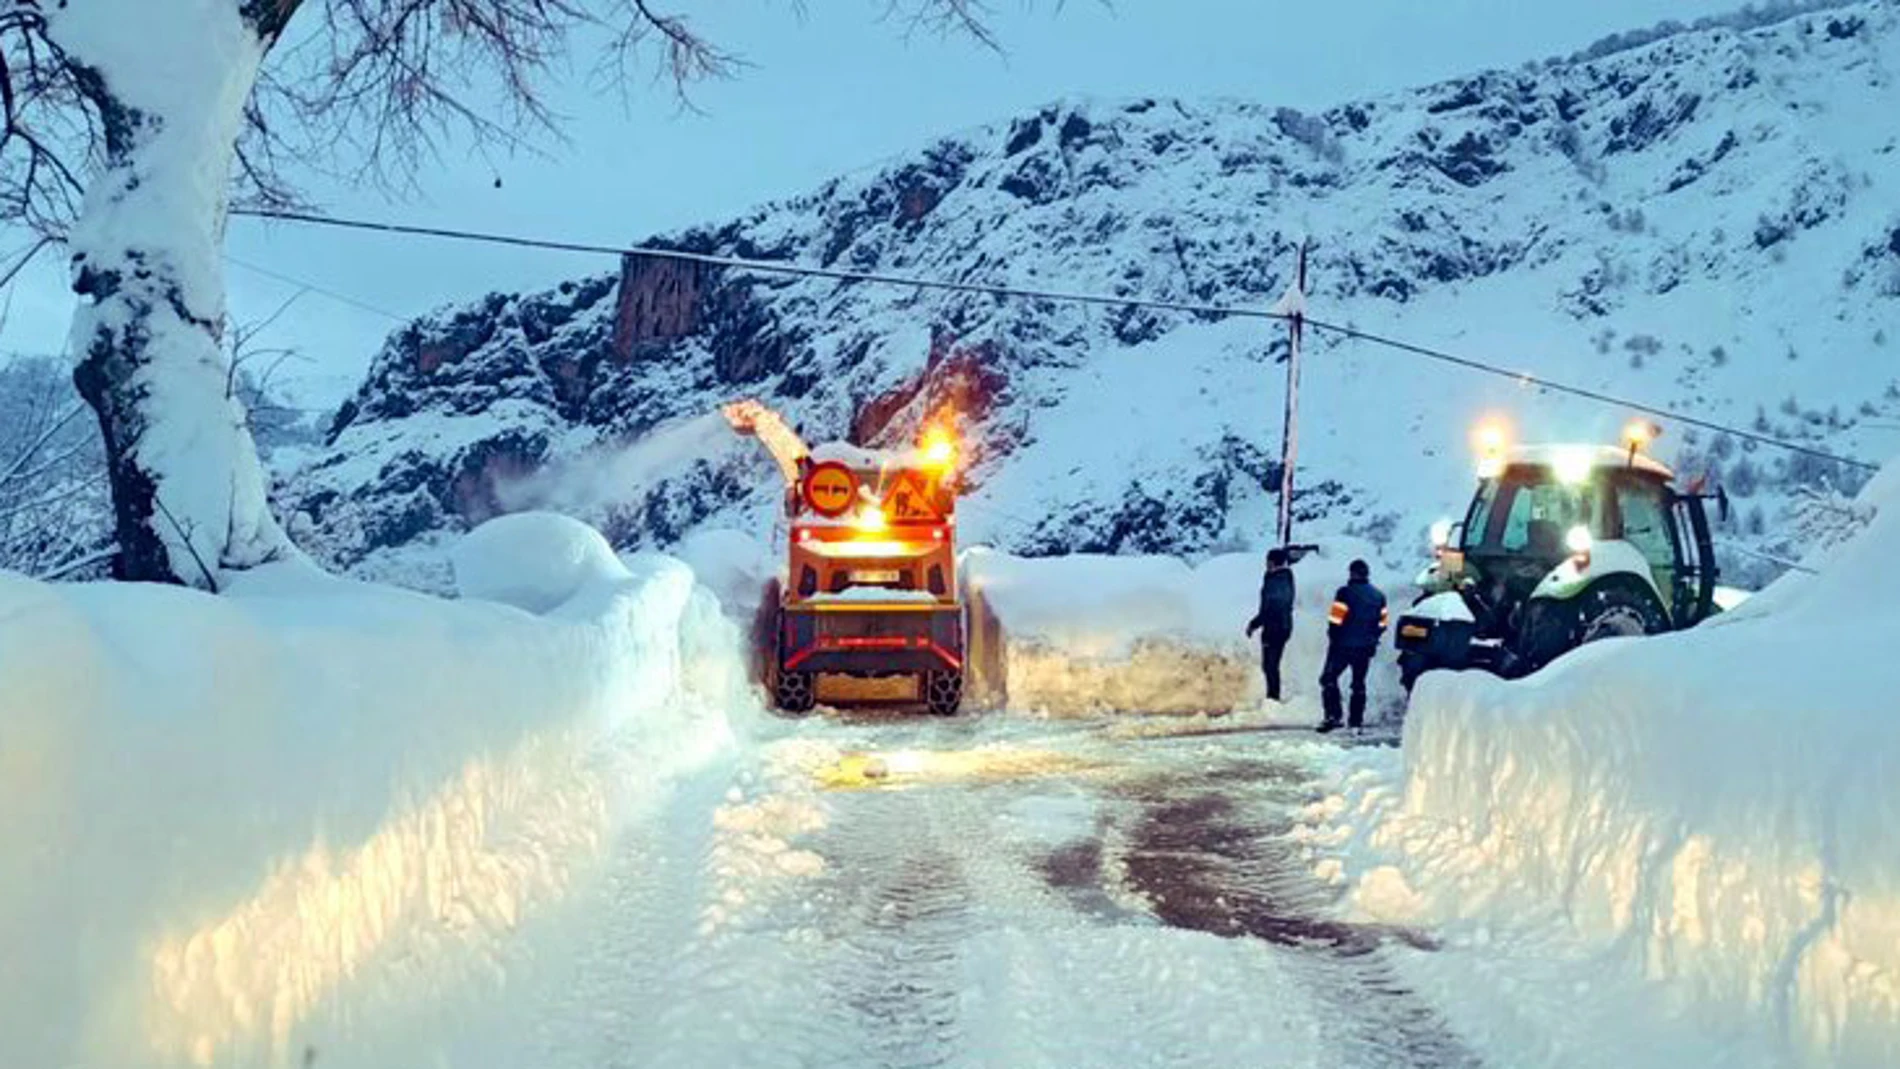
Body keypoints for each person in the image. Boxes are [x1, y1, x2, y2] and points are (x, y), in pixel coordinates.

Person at [1319, 559, 1388, 733]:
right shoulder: (1379, 596)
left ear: (1352, 573)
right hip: (1365, 647)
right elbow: (1383, 624)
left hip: (1342, 645)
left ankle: (1333, 716)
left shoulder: (1344, 593)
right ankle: (1356, 722)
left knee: (1328, 678)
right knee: (1358, 684)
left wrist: (1334, 638)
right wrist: (1372, 638)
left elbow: (1335, 620)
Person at [1244, 548, 1296, 702]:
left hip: (1276, 627)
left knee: (1270, 665)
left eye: (1267, 560)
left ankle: (1273, 698)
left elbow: (1271, 607)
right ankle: (1272, 697)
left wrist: (1254, 624)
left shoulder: (1278, 580)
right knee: (1270, 665)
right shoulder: (1280, 577)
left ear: (1272, 562)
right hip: (1280, 626)